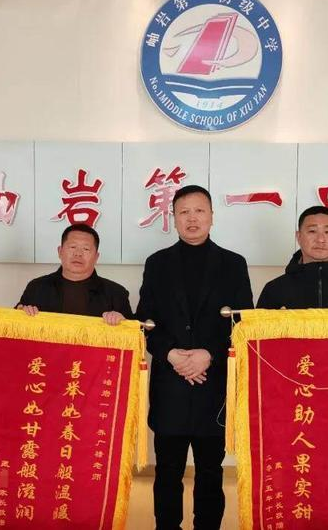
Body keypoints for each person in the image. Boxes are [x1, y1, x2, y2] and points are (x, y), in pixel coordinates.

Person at [136, 185, 253, 530]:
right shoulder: (157, 263)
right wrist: (171, 354)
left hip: (213, 386)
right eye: (184, 212)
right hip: (170, 385)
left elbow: (242, 321)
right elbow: (145, 321)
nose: (192, 218)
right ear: (173, 218)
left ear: (212, 216)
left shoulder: (233, 264)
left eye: (199, 211)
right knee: (167, 472)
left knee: (210, 472)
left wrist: (209, 355)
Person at [16, 223, 132, 323]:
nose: (78, 254)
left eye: (86, 249)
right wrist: (20, 313)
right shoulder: (36, 287)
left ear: (96, 257)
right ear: (60, 251)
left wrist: (123, 322)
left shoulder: (116, 294)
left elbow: (134, 333)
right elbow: (15, 325)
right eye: (72, 247)